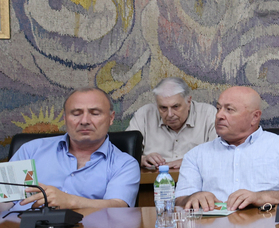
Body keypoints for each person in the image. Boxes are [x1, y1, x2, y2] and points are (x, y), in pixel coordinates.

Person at [175, 86, 279, 212]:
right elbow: (179, 200)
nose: (219, 115)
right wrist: (193, 197)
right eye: (218, 108)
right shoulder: (196, 155)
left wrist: (260, 197)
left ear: (254, 117)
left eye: (229, 109)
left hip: (267, 225)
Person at [8, 88, 140, 212]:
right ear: (65, 118)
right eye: (76, 114)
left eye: (95, 113)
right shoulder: (31, 150)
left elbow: (118, 207)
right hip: (19, 225)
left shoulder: (124, 164)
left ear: (111, 118)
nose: (84, 121)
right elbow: (5, 200)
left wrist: (70, 201)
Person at [129, 78, 217, 172]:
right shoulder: (144, 115)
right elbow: (123, 153)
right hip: (151, 179)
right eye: (163, 108)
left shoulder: (208, 115)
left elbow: (220, 154)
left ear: (188, 101)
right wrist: (141, 159)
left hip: (196, 179)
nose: (170, 114)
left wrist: (189, 161)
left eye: (175, 107)